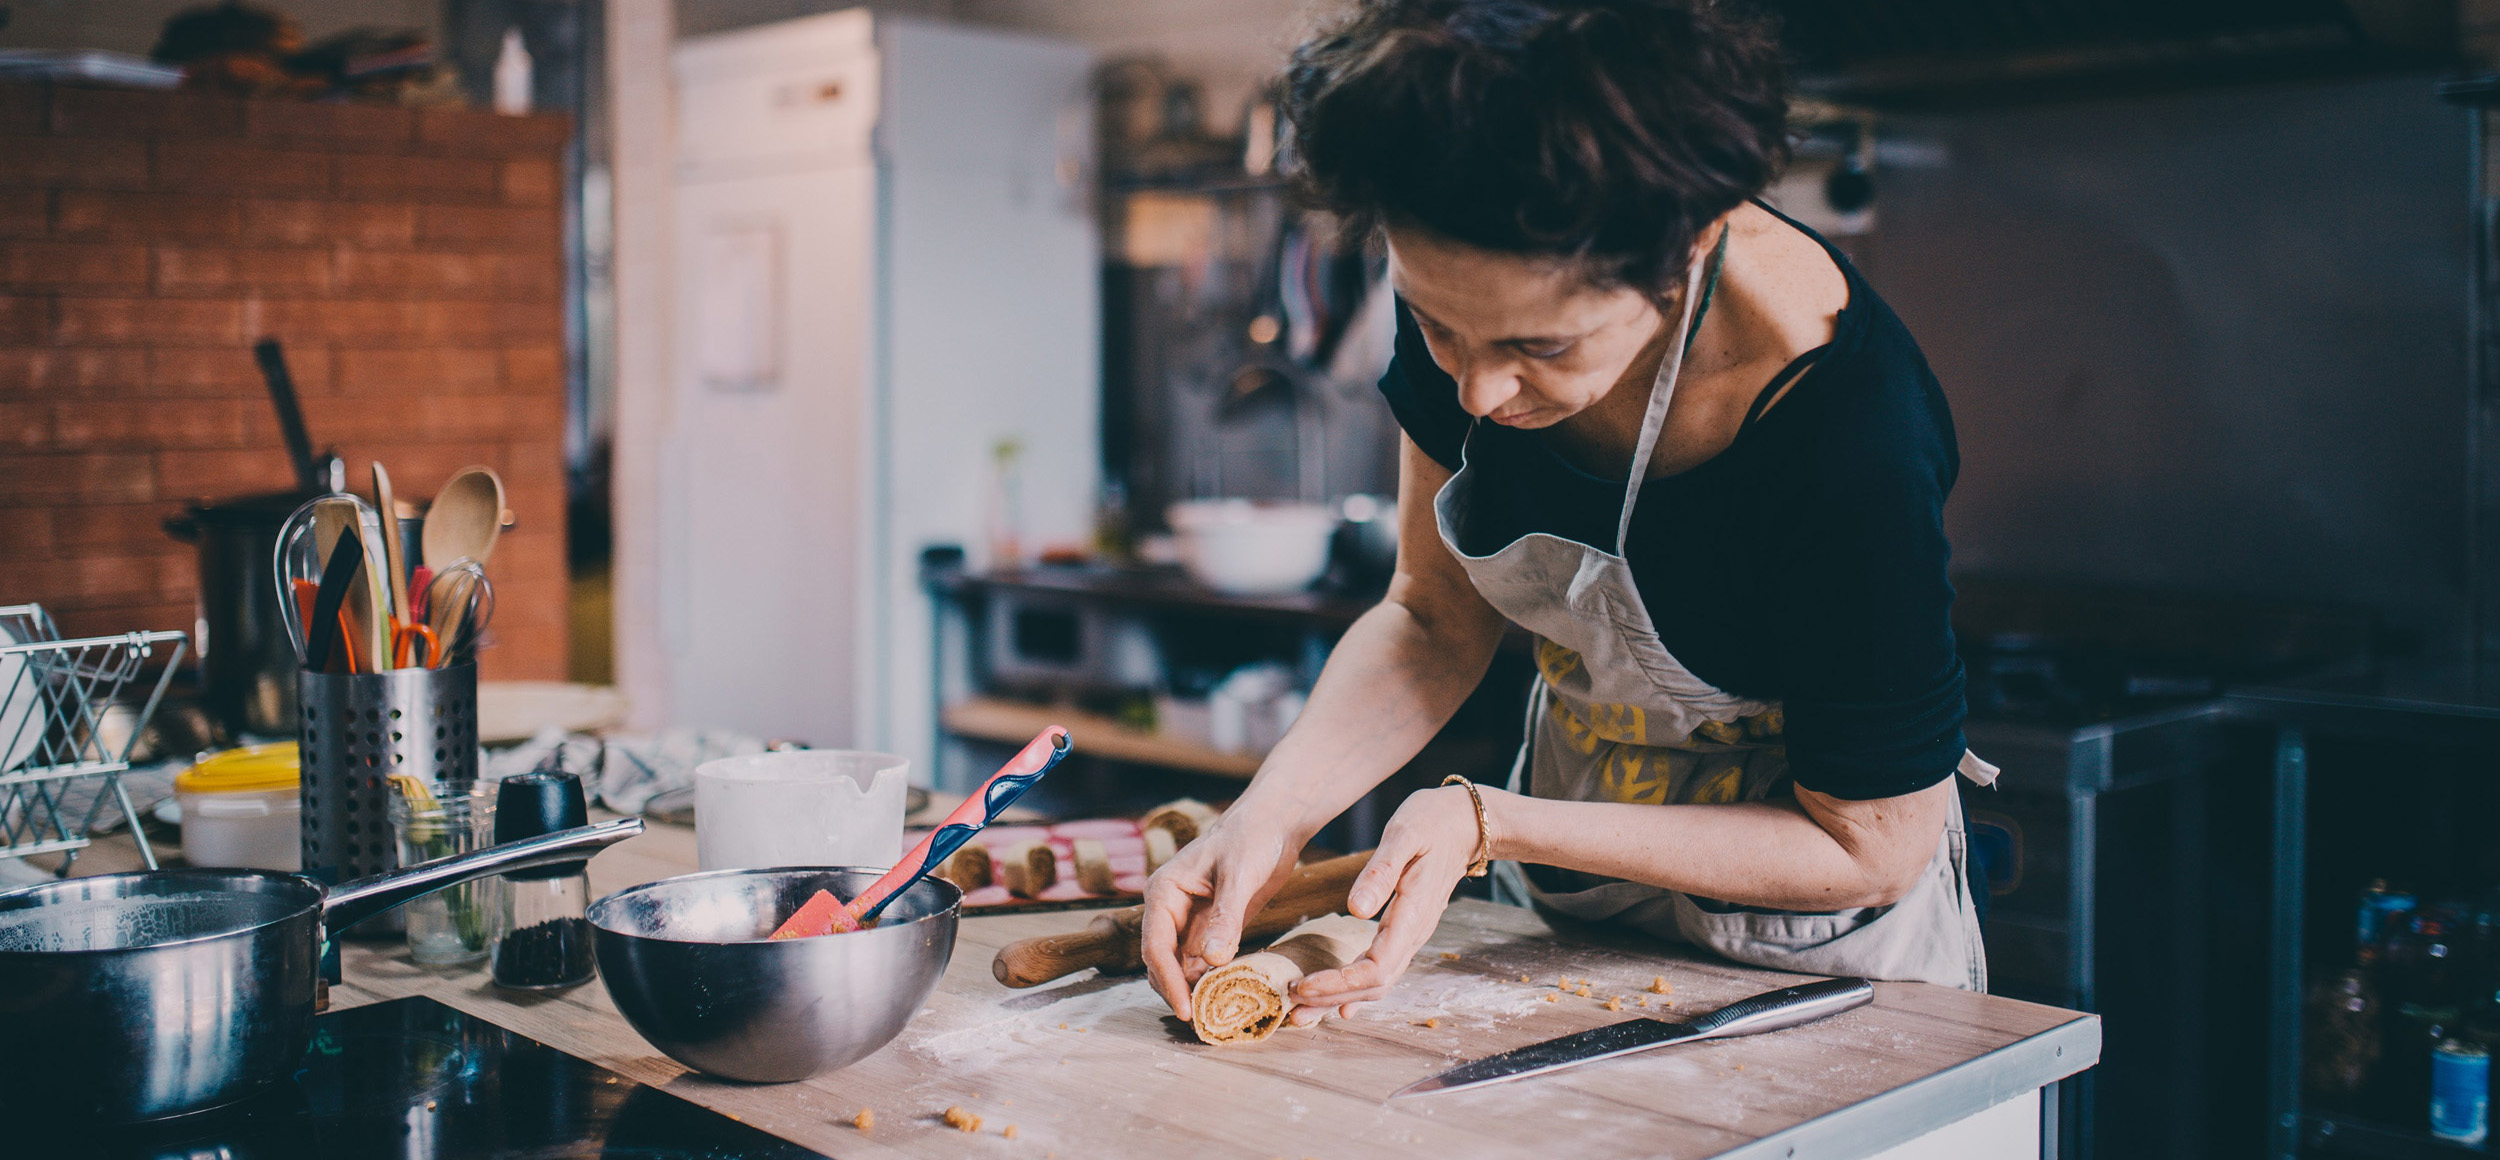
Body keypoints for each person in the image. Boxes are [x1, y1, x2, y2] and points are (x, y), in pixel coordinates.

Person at [1142, 0, 1998, 1029]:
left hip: (1825, 966)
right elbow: (1429, 619)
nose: (1477, 395)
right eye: (1435, 325)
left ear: (1692, 243)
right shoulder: (1473, 276)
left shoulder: (1846, 425)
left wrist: (1491, 819)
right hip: (1569, 921)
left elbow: (1867, 844)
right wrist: (1268, 814)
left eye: (1541, 348)